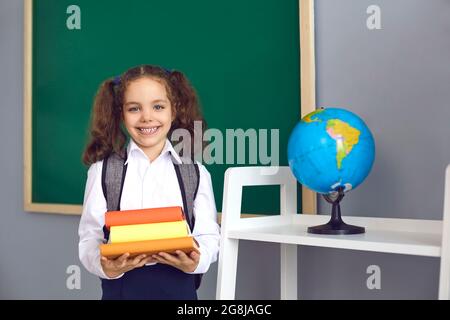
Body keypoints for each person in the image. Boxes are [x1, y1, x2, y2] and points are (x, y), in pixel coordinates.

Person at [78, 64, 220, 300]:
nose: (147, 117)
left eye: (158, 106)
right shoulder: (102, 171)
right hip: (122, 290)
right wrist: (106, 268)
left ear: (174, 111)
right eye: (134, 108)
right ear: (120, 114)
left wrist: (196, 260)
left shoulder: (195, 173)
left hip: (180, 291)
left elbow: (209, 236)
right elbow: (90, 237)